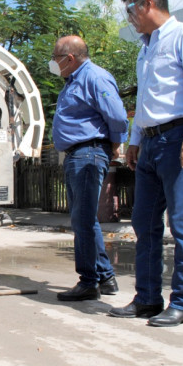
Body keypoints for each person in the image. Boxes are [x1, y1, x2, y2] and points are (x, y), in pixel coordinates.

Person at [109, 0, 183, 327]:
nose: (130, 18)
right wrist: (135, 139)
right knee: (144, 222)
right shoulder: (145, 49)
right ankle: (147, 298)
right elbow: (145, 100)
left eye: (130, 10)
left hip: (179, 139)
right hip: (151, 143)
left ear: (148, 4)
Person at [51, 35, 129, 302]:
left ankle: (89, 282)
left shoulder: (94, 77)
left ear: (70, 58)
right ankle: (105, 277)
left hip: (88, 153)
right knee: (84, 220)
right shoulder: (74, 81)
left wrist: (116, 145)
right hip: (78, 155)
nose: (53, 63)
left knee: (83, 220)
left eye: (55, 58)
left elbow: (117, 116)